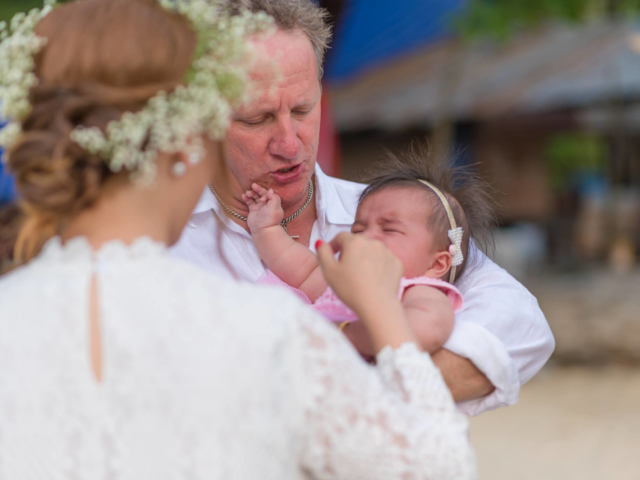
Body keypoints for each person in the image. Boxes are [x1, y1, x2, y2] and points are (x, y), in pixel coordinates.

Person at [0, 0, 477, 477]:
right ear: (189, 142)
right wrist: (386, 317)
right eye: (250, 120)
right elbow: (438, 466)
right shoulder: (270, 333)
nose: (287, 143)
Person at [171, 0, 555, 415]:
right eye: (256, 118)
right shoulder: (161, 244)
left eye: (302, 110)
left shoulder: (395, 219)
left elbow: (522, 326)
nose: (288, 143)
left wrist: (350, 394)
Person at [244, 151, 495, 357]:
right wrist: (267, 229)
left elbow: (421, 333)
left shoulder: (420, 293)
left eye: (389, 229)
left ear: (437, 263)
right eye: (358, 228)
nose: (366, 236)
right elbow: (302, 270)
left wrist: (343, 333)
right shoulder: (345, 278)